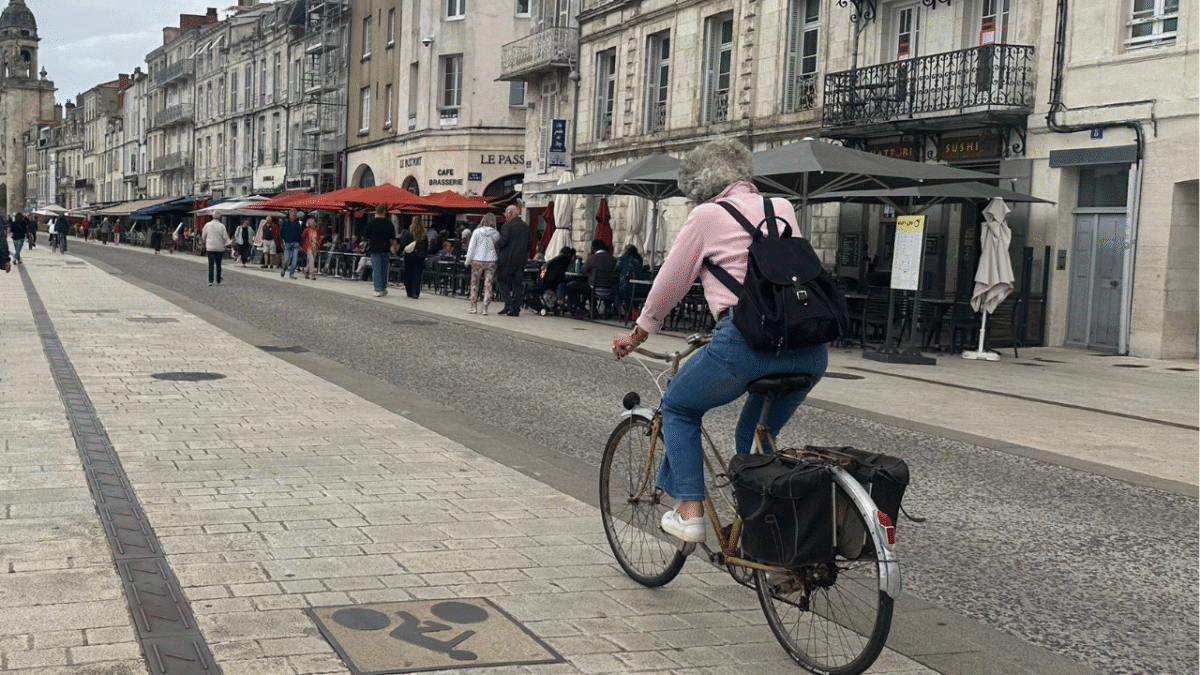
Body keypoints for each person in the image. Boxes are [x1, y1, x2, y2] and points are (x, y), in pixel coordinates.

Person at [611, 138, 829, 543]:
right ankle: (770, 535)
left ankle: (691, 512)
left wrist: (639, 334)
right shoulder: (781, 208)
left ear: (697, 185)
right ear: (743, 173)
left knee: (678, 406)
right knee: (755, 438)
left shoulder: (707, 215)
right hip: (809, 350)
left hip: (747, 346)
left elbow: (670, 283)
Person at [494, 205, 531, 317]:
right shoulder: (526, 226)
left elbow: (503, 241)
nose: (505, 216)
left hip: (507, 260)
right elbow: (530, 245)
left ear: (510, 214)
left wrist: (496, 243)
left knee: (501, 280)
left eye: (506, 214)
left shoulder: (507, 226)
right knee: (517, 284)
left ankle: (508, 303)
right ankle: (516, 308)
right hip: (521, 261)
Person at [565, 238, 616, 318]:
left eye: (591, 248)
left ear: (594, 248)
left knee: (569, 287)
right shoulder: (612, 259)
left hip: (594, 287)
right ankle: (594, 309)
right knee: (587, 287)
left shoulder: (592, 258)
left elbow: (582, 271)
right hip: (609, 288)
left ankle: (581, 309)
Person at [463, 212, 500, 315]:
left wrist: (467, 261)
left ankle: (473, 306)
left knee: (474, 284)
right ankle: (485, 308)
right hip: (491, 261)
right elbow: (498, 247)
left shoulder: (477, 232)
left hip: (477, 260)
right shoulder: (496, 233)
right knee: (488, 285)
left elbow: (471, 248)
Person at [364, 205, 397, 297]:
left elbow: (365, 236)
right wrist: (395, 249)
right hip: (385, 249)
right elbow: (393, 239)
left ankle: (377, 288)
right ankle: (383, 288)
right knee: (384, 269)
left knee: (376, 269)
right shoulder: (389, 223)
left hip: (374, 249)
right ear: (385, 212)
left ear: (376, 212)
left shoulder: (371, 223)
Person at [397, 217, 428, 299]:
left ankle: (409, 291)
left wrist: (398, 253)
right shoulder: (423, 235)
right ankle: (415, 292)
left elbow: (403, 245)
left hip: (409, 257)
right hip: (419, 257)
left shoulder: (408, 233)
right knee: (417, 275)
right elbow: (426, 247)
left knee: (408, 273)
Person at [539, 246, 575, 314]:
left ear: (561, 252)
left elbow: (544, 267)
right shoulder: (569, 261)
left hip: (551, 281)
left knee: (562, 286)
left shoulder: (556, 259)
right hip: (561, 280)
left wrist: (542, 275)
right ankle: (562, 303)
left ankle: (559, 303)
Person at [202, 211, 231, 286]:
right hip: (219, 247)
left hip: (210, 247)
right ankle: (218, 280)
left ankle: (210, 280)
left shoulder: (207, 225)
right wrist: (225, 243)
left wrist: (205, 242)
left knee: (211, 264)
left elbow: (203, 236)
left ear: (212, 216)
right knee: (218, 264)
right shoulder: (222, 226)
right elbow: (225, 237)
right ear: (220, 217)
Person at [615, 244, 645, 317]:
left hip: (624, 289)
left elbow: (616, 270)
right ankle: (634, 309)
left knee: (615, 291)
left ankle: (621, 310)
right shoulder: (639, 260)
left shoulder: (622, 259)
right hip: (640, 290)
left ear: (626, 251)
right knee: (631, 289)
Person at [279, 208, 304, 278]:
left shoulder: (297, 224)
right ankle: (284, 269)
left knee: (294, 260)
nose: (293, 216)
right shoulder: (285, 222)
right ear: (289, 215)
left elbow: (300, 234)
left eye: (295, 214)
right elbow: (281, 233)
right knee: (286, 259)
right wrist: (281, 241)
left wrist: (300, 243)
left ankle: (291, 274)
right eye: (292, 214)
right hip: (287, 243)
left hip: (295, 243)